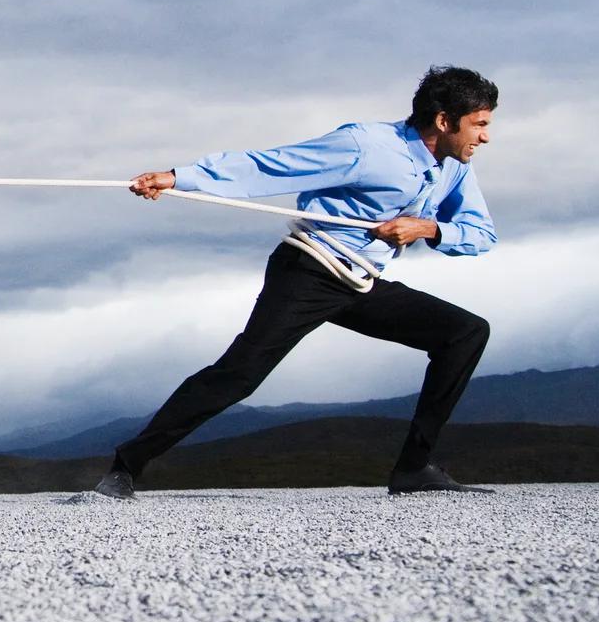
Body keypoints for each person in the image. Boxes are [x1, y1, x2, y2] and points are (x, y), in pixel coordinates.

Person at [96, 66, 499, 499]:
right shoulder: (366, 146)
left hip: (360, 282)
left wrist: (428, 229)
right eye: (479, 124)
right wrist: (178, 177)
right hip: (308, 269)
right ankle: (125, 467)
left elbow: (481, 234)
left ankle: (414, 469)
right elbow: (271, 166)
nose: (485, 137)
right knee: (239, 376)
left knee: (465, 333)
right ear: (444, 121)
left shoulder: (454, 168)